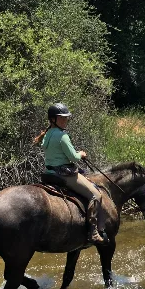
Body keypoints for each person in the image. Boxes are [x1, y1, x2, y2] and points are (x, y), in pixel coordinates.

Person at [34, 103, 107, 244]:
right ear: (53, 119)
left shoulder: (47, 134)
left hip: (49, 173)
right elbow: (73, 157)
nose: (65, 120)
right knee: (96, 194)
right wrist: (81, 154)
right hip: (63, 174)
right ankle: (94, 232)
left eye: (66, 118)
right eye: (62, 118)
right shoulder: (62, 136)